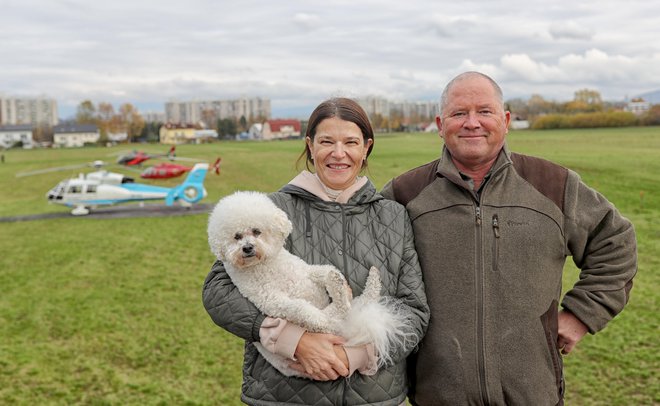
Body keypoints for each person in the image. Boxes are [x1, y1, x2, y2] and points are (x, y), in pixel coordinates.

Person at [381, 71, 637, 406]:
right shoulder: (405, 193)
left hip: (534, 394)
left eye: (484, 111)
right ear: (440, 124)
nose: (472, 122)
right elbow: (363, 263)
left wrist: (582, 314)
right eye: (459, 113)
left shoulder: (554, 185)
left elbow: (616, 243)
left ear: (505, 120)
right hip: (436, 395)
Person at [203, 97, 430, 405]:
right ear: (310, 146)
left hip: (373, 396)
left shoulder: (392, 216)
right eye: (326, 141)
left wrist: (353, 356)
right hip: (285, 396)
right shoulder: (270, 211)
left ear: (366, 147)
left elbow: (413, 310)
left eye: (351, 142)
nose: (339, 153)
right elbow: (218, 291)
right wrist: (292, 341)